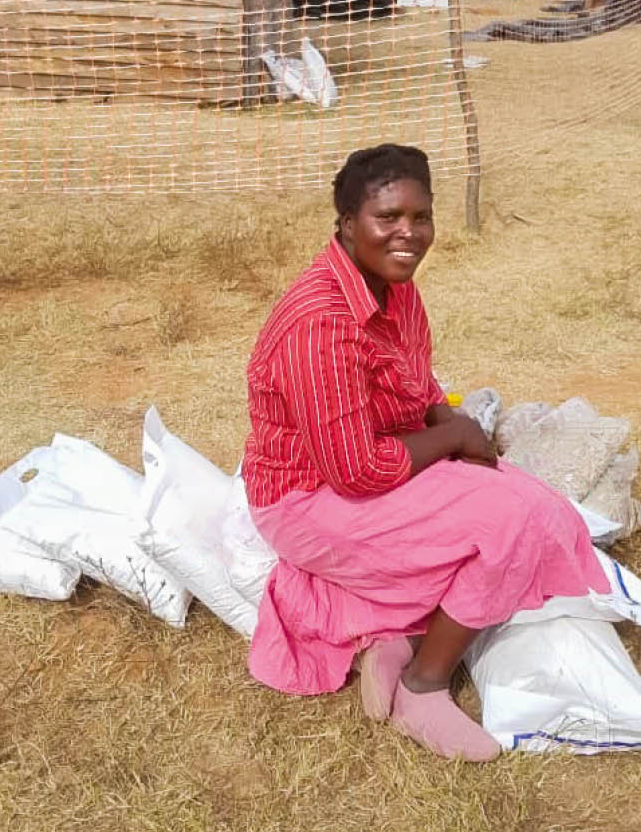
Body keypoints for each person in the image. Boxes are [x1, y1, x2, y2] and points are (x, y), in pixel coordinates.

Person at [242, 144, 610, 761]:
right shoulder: (322, 324)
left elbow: (414, 385)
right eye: (387, 217)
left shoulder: (392, 287)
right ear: (346, 223)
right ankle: (424, 685)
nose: (407, 234)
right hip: (307, 497)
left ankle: (393, 636)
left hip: (366, 466)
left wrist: (448, 419)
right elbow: (357, 471)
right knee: (511, 522)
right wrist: (456, 436)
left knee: (539, 510)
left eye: (421, 217)